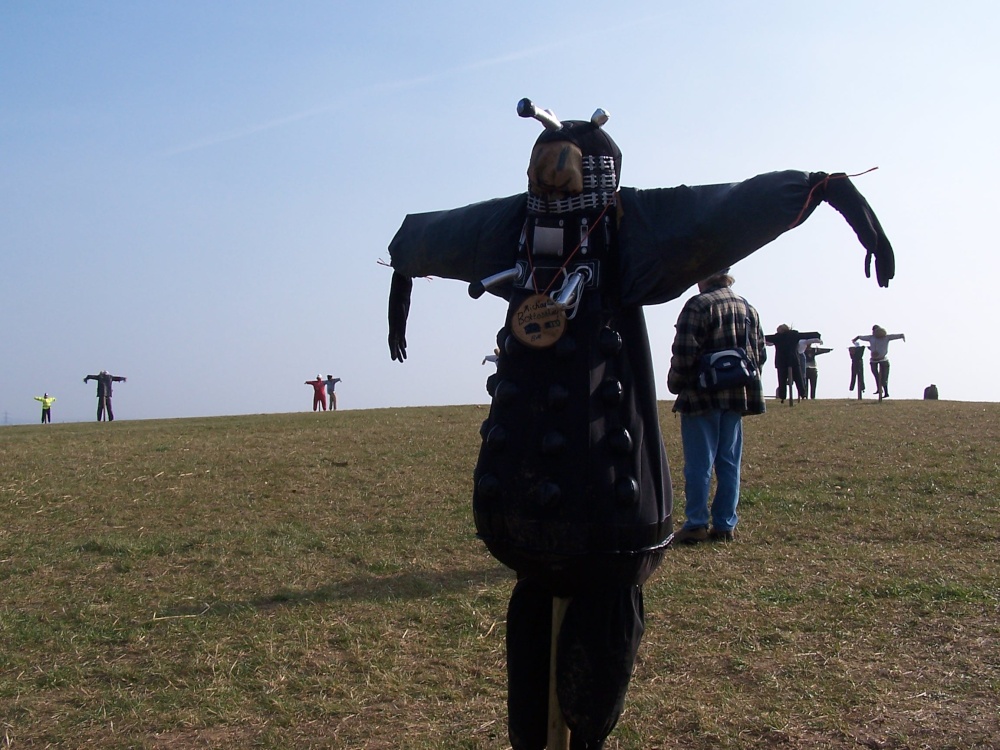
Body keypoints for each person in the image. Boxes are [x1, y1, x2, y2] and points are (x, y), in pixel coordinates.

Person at [386, 98, 894, 749]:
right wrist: (404, 272)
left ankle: (582, 730)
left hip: (588, 507)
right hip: (554, 511)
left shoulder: (624, 227)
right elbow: (438, 236)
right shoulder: (562, 223)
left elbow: (730, 206)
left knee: (592, 647)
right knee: (550, 625)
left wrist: (827, 192)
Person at [667, 270, 766, 544]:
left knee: (699, 464)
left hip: (701, 396)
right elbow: (759, 354)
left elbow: (684, 352)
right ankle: (725, 524)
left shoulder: (698, 305)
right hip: (736, 395)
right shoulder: (748, 308)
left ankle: (696, 523)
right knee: (729, 462)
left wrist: (675, 383)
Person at [765, 326, 820, 403]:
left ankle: (782, 396)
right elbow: (805, 335)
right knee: (798, 379)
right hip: (793, 360)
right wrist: (817, 335)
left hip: (781, 361)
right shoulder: (794, 334)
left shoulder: (777, 337)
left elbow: (767, 337)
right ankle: (803, 394)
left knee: (782, 380)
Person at [853, 325, 905, 399]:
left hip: (883, 359)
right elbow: (862, 337)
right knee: (876, 375)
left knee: (884, 377)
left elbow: (895, 336)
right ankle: (879, 389)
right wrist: (857, 338)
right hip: (873, 360)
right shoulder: (871, 338)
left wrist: (901, 336)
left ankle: (885, 391)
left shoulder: (885, 337)